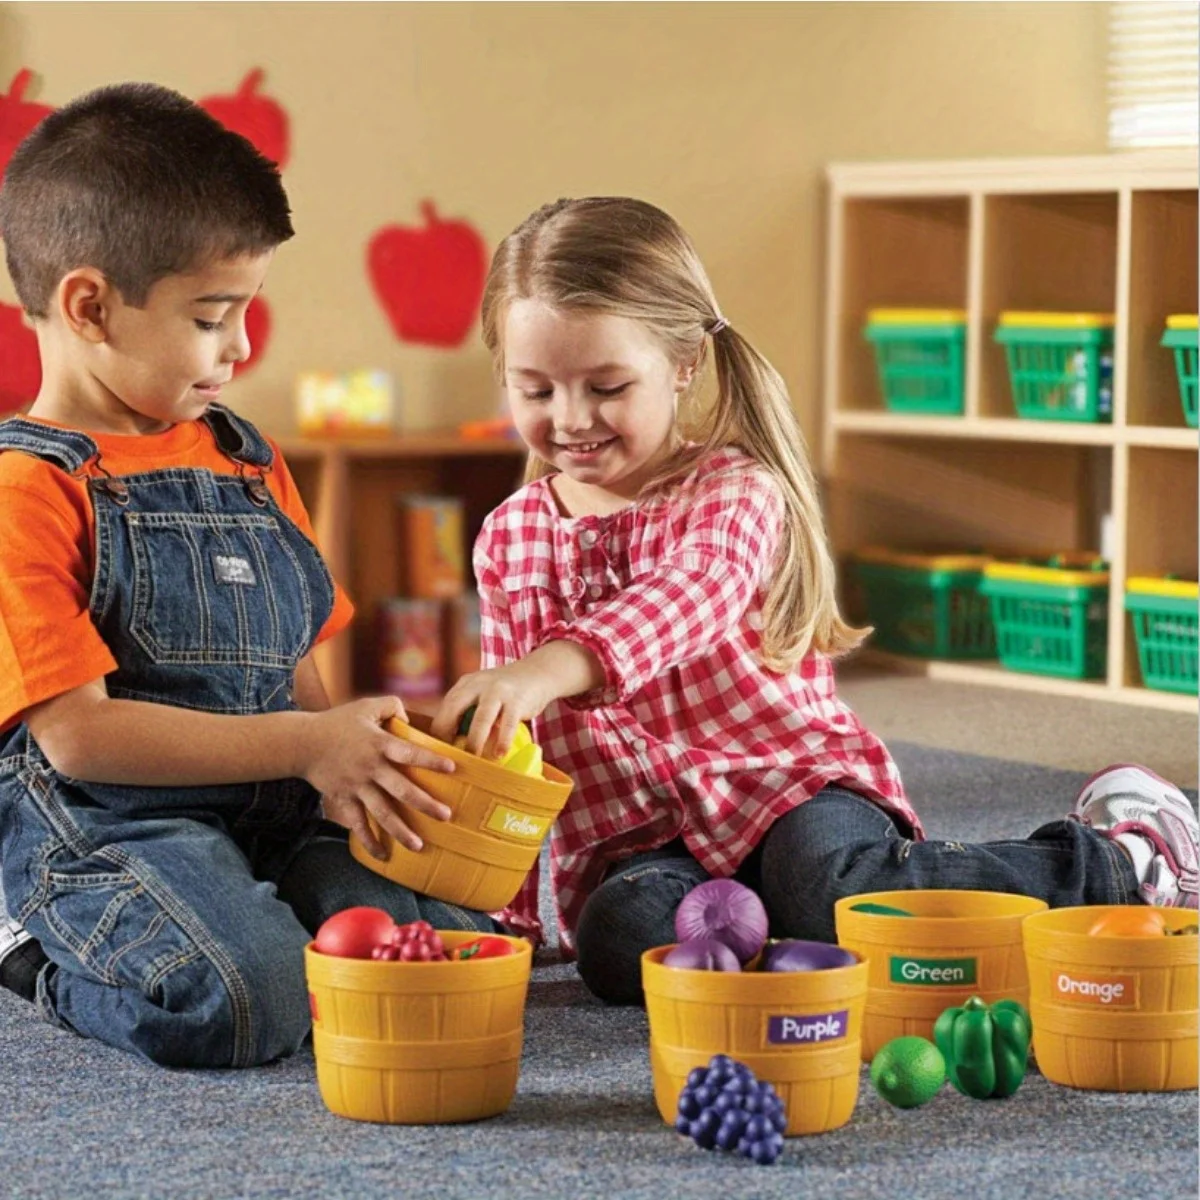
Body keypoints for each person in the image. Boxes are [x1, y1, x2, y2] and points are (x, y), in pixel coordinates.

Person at [429, 196, 1199, 1005]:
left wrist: (546, 668)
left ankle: (1126, 859)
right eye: (536, 390)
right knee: (618, 942)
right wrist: (507, 915)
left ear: (684, 364)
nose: (571, 417)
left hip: (787, 791)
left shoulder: (732, 491)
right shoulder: (509, 537)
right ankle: (794, 940)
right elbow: (517, 750)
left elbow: (690, 595)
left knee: (827, 882)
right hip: (645, 840)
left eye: (607, 385)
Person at [0, 82, 498, 1068]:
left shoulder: (244, 455)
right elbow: (81, 740)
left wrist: (359, 761)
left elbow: (300, 676)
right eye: (213, 315)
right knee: (249, 1001)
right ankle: (30, 953)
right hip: (115, 824)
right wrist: (310, 744)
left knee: (416, 940)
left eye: (246, 310)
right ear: (89, 306)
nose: (240, 345)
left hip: (271, 804)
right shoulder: (28, 490)